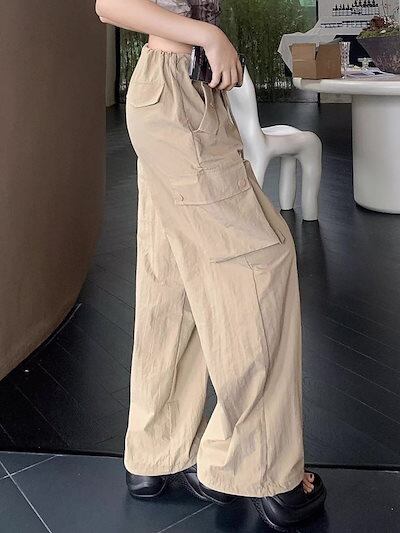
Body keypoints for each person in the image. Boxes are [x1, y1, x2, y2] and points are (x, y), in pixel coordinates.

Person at [95, 0, 327, 529]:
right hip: (176, 93)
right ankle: (260, 468)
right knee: (261, 262)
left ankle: (158, 452)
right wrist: (207, 35)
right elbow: (109, 4)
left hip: (181, 91)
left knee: (173, 277)